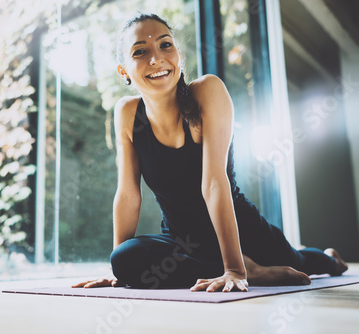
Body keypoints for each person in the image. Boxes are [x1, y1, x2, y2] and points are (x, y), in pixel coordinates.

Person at [73, 13, 348, 292]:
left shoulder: (207, 90)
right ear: (124, 71)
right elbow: (128, 194)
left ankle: (327, 259)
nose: (156, 58)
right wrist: (118, 272)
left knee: (300, 260)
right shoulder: (128, 113)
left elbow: (214, 183)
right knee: (125, 258)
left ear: (178, 54)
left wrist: (234, 269)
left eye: (165, 45)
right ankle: (240, 269)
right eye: (140, 51)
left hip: (241, 234)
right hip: (183, 244)